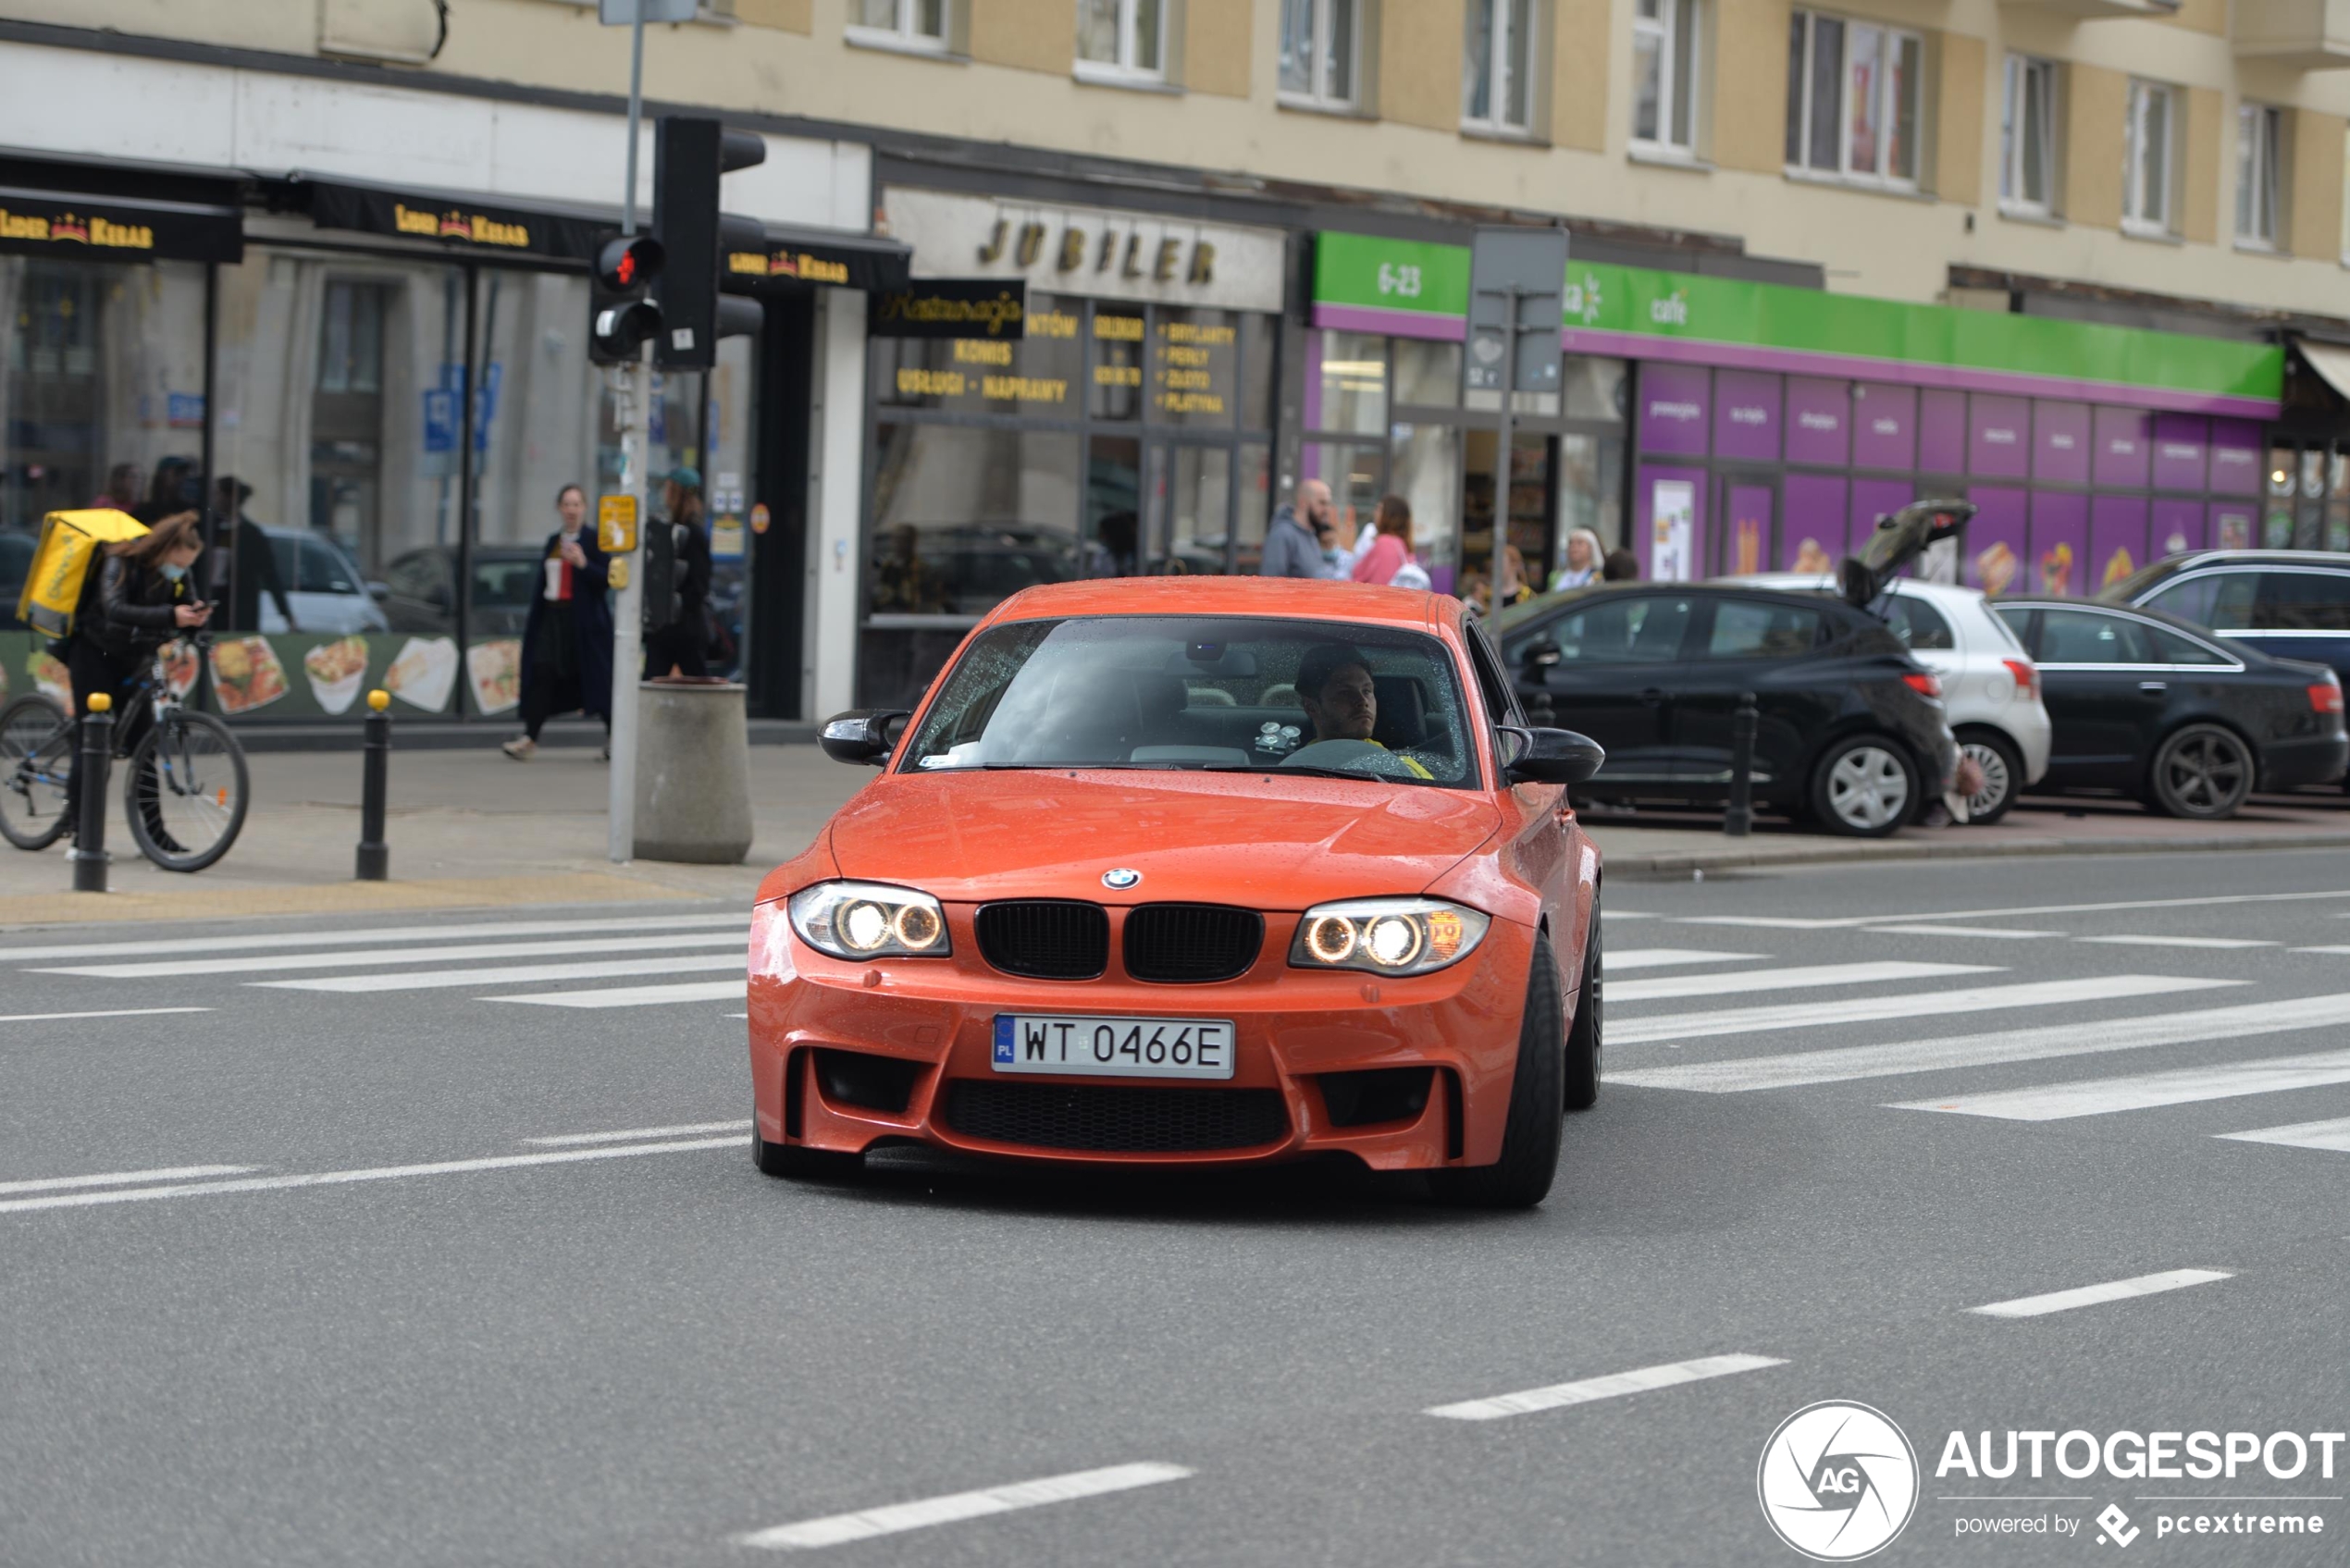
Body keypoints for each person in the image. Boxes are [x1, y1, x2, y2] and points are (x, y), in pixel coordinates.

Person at [67, 511, 212, 844]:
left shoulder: (178, 574)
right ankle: (81, 832)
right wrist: (169, 614)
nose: (180, 569)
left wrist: (198, 618)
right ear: (163, 549)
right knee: (92, 742)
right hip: (95, 653)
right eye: (178, 562)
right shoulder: (120, 562)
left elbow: (186, 606)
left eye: (187, 564)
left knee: (145, 749)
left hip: (135, 658)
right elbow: (114, 608)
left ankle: (156, 836)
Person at [503, 485, 613, 761]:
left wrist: (583, 564)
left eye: (576, 504)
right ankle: (530, 738)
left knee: (597, 679)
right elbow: (543, 584)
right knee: (541, 672)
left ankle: (615, 737)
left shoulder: (594, 540)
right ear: (559, 508)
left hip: (584, 624)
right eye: (567, 504)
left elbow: (607, 580)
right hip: (553, 619)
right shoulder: (553, 540)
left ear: (584, 508)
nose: (571, 510)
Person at [1293, 642, 1431, 777]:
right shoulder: (1291, 771)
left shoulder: (1405, 771)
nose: (1362, 701)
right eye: (1345, 693)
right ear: (1311, 707)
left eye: (1367, 691)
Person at [642, 466, 712, 679]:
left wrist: (676, 607)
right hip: (664, 629)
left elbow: (700, 585)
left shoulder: (693, 534)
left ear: (676, 492)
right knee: (651, 686)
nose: (664, 493)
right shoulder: (668, 529)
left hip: (685, 630)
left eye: (668, 488)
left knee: (699, 688)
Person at [209, 477, 297, 633]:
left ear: (229, 497)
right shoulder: (210, 530)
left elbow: (270, 576)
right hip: (210, 606)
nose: (215, 499)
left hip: (238, 610)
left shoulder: (251, 535)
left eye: (218, 494)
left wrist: (287, 615)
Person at [1260, 478, 1338, 579]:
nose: (1326, 509)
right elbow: (1270, 582)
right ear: (1303, 502)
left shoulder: (1311, 534)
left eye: (1328, 504)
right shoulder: (1282, 534)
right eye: (1322, 503)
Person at [1350, 495, 1417, 586]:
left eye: (1379, 509)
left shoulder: (1384, 543)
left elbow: (1370, 580)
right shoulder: (1403, 545)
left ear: (1390, 516)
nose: (1375, 513)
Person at [1549, 528, 1604, 592]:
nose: (1574, 546)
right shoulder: (1556, 576)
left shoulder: (1597, 577)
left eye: (1580, 543)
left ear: (1590, 549)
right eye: (1571, 543)